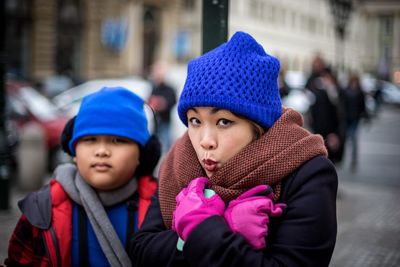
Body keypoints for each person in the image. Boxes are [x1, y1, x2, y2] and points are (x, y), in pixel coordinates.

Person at [129, 31, 338, 267]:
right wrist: (204, 238)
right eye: (195, 121)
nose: (205, 141)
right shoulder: (178, 162)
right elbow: (142, 248)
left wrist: (202, 228)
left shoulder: (306, 171)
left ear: (258, 126)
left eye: (224, 122)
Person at [5, 87, 161, 267]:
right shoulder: (42, 209)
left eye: (118, 140)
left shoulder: (164, 208)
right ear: (74, 152)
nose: (102, 151)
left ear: (143, 154)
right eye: (90, 139)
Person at [148, 61, 177, 154]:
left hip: (165, 121)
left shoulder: (169, 88)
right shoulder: (153, 87)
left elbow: (172, 101)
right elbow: (149, 101)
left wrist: (163, 104)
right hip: (156, 121)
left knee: (166, 144)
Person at [343, 74, 367, 171]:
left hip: (355, 119)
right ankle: (342, 157)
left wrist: (364, 116)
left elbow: (363, 106)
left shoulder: (360, 92)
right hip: (346, 119)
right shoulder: (345, 91)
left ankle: (353, 159)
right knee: (345, 139)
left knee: (354, 139)